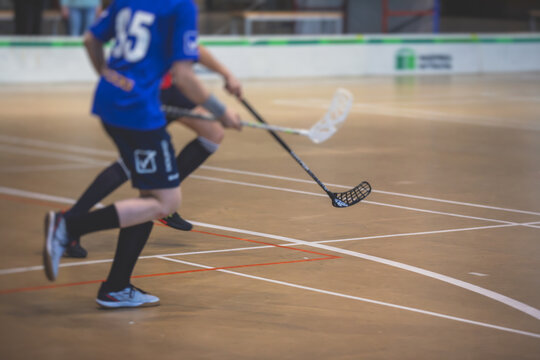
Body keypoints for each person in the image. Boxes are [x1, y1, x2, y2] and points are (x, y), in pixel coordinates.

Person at [43, 0, 242, 309]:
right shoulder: (181, 6)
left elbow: (90, 39)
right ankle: (68, 226)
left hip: (111, 101)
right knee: (165, 201)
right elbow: (185, 76)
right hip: (139, 110)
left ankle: (116, 286)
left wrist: (108, 77)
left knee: (149, 195)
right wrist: (222, 111)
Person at [63, 44, 243, 258]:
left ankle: (165, 193)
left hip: (169, 87)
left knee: (212, 133)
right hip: (149, 91)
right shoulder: (170, 11)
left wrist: (226, 74)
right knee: (130, 164)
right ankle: (70, 221)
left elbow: (194, 49)